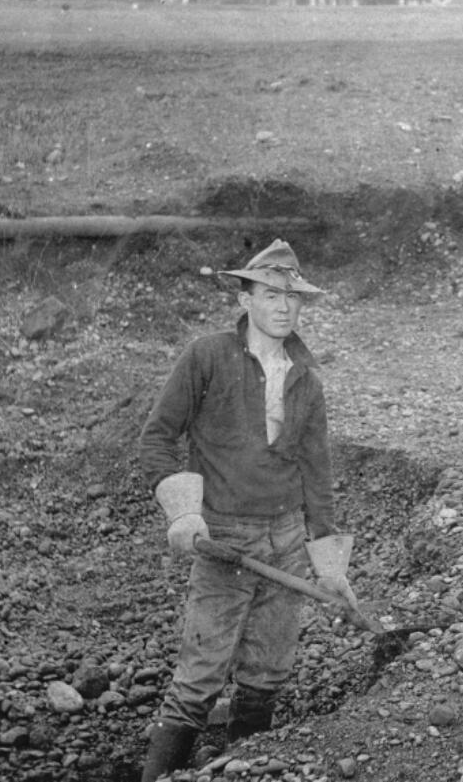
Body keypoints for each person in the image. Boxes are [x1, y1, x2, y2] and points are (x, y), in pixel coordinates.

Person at [137, 239, 350, 782]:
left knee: (267, 674)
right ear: (246, 298)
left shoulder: (307, 378)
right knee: (199, 679)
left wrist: (329, 562)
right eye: (271, 294)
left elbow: (317, 474)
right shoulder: (206, 357)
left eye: (293, 297)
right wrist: (184, 513)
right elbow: (157, 438)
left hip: (285, 544)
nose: (284, 306)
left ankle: (244, 770)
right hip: (225, 541)